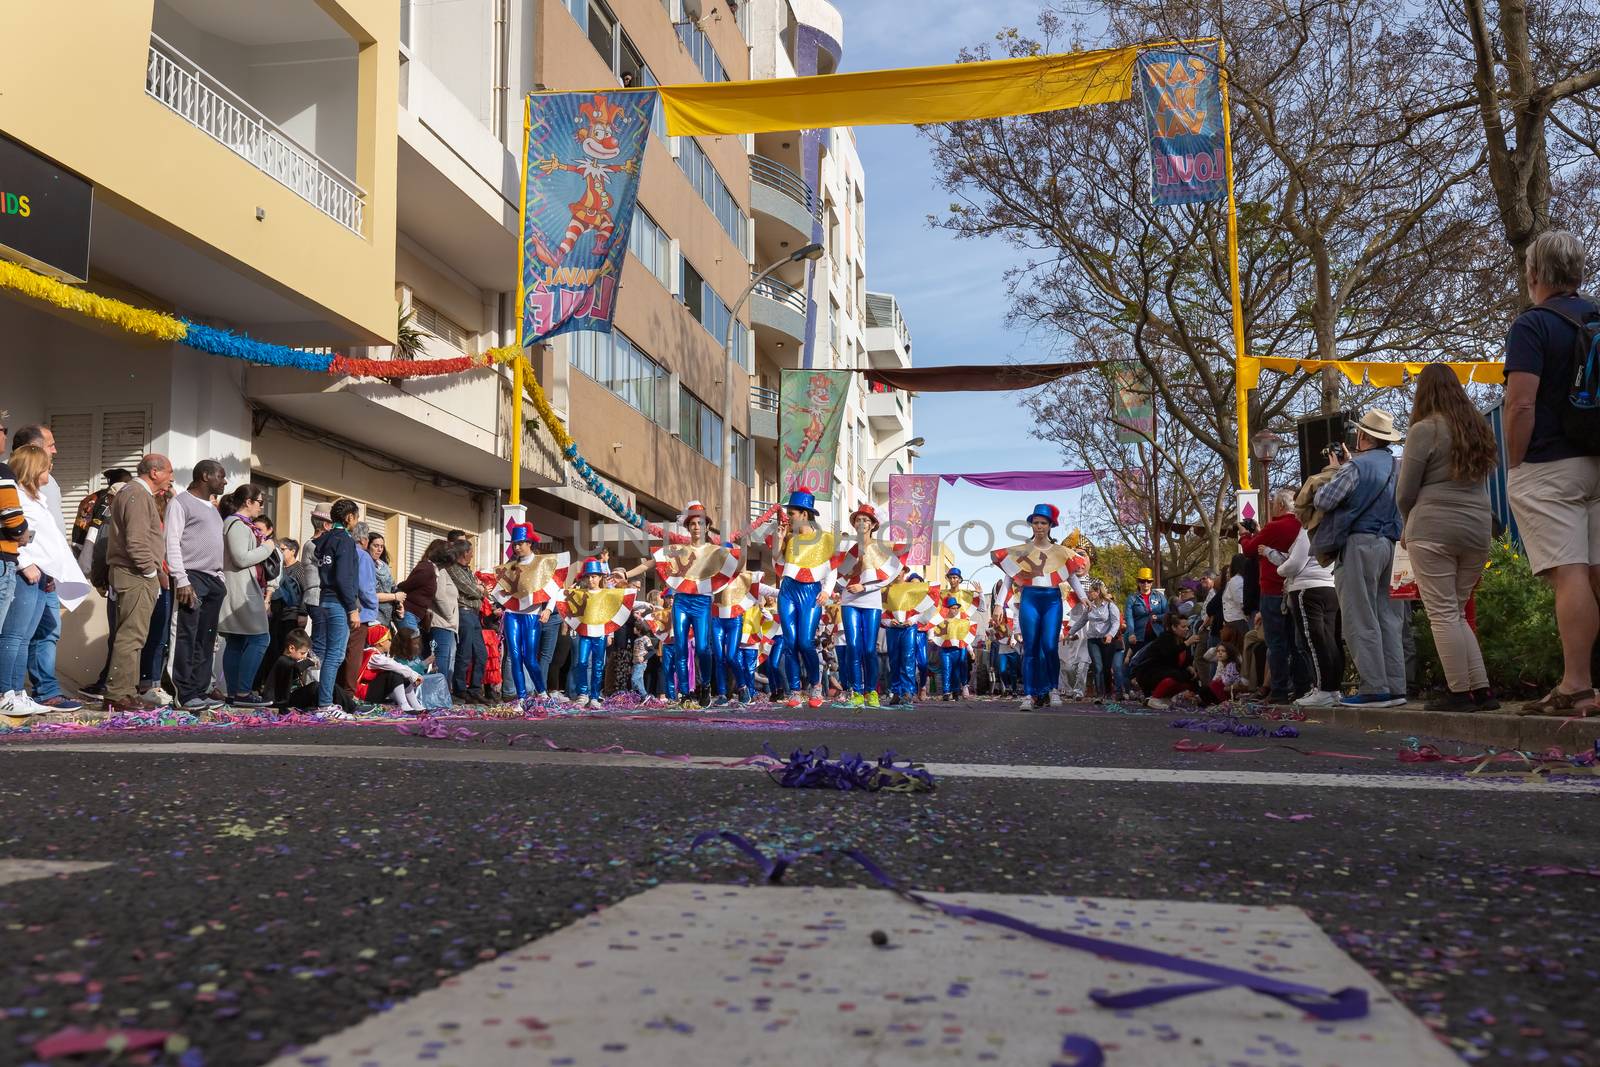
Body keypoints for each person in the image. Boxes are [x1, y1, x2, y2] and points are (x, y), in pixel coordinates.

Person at [1502, 230, 1600, 716]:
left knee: (1571, 574)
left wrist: (1515, 463)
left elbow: (1520, 404)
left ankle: (1577, 686)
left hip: (1550, 464)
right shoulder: (1598, 316)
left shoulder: (1533, 325)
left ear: (1535, 274)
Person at [1396, 363, 1498, 711]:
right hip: (1477, 528)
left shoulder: (1424, 430)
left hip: (1433, 527)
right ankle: (1481, 690)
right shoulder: (1478, 430)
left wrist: (1407, 524)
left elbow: (1405, 492)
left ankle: (1458, 693)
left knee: (1441, 613)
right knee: (1455, 610)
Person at [1312, 409, 1406, 707]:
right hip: (1389, 545)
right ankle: (1395, 686)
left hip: (1359, 544)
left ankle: (1374, 687)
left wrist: (1335, 470)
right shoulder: (1397, 466)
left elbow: (1323, 500)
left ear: (1363, 436)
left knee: (1359, 617)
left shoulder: (1356, 468)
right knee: (1388, 618)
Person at [0, 446, 84, 713]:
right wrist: (25, 564)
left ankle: (17, 692)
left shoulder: (36, 497)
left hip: (41, 574)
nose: (50, 469)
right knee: (13, 636)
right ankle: (5, 693)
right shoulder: (19, 496)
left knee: (24, 638)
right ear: (33, 468)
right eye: (46, 466)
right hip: (26, 572)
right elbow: (17, 535)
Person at [635, 501, 742, 708]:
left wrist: (745, 547)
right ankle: (685, 693)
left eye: (700, 523)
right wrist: (625, 573)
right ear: (688, 527)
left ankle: (704, 687)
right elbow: (654, 562)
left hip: (702, 603)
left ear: (706, 527)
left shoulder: (715, 550)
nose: (696, 527)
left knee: (703, 648)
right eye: (692, 523)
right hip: (681, 601)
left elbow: (736, 566)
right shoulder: (679, 549)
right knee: (680, 648)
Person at [993, 506, 1085, 709]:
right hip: (1029, 599)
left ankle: (1053, 689)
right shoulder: (1022, 550)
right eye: (1036, 522)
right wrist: (999, 604)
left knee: (1050, 646)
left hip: (1052, 599)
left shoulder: (1060, 552)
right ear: (1031, 525)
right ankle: (1028, 694)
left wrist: (1083, 596)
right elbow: (1008, 577)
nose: (1039, 526)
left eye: (1044, 523)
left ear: (1051, 526)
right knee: (1031, 647)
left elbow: (1070, 575)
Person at [103, 454, 174, 711]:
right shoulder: (137, 494)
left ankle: (127, 691)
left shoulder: (136, 494)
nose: (171, 478)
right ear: (154, 472)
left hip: (136, 573)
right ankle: (117, 693)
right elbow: (136, 540)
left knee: (135, 636)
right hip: (135, 574)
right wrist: (150, 572)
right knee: (131, 635)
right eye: (169, 472)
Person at [166, 460, 228, 711]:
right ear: (205, 476)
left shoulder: (213, 509)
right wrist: (181, 579)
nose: (225, 481)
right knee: (185, 635)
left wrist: (220, 578)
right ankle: (184, 691)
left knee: (206, 638)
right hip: (191, 578)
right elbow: (171, 542)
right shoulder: (180, 503)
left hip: (213, 579)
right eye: (221, 476)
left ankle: (200, 689)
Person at [1241, 489, 1310, 703]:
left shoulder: (1275, 527)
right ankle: (1302, 687)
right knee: (1296, 642)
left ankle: (1279, 689)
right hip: (1296, 588)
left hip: (1272, 590)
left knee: (1276, 643)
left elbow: (1250, 549)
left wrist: (1245, 535)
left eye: (1273, 503)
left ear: (1280, 505)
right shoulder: (1302, 527)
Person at [769, 491, 837, 709]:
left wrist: (827, 590)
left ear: (805, 514)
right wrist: (778, 540)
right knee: (790, 643)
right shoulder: (789, 538)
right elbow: (777, 562)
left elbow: (832, 567)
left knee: (805, 642)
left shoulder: (825, 538)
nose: (788, 517)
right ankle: (795, 691)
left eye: (792, 513)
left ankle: (816, 685)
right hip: (788, 590)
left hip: (811, 592)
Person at [1268, 516, 1342, 708]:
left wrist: (1279, 570)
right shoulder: (1332, 525)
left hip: (1307, 589)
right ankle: (1333, 689)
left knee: (1314, 641)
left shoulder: (1307, 531)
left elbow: (1295, 564)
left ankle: (1323, 690)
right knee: (1330, 641)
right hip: (1330, 586)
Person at [836, 503, 902, 708]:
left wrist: (864, 588)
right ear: (854, 524)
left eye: (866, 520)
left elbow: (888, 577)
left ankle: (871, 691)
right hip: (849, 600)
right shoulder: (848, 546)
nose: (862, 522)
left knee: (868, 649)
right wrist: (855, 566)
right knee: (854, 647)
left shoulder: (882, 547)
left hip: (871, 601)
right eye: (858, 519)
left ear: (873, 525)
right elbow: (839, 576)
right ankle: (856, 691)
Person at [217, 485, 278, 705]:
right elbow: (241, 558)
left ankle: (235, 693)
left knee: (236, 641)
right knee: (261, 638)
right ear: (248, 502)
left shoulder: (239, 524)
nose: (262, 507)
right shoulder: (237, 525)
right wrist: (268, 547)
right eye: (260, 502)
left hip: (238, 589)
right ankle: (242, 692)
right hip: (241, 591)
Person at [494, 522, 564, 702]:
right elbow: (500, 590)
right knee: (515, 655)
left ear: (529, 543)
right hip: (512, 614)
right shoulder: (510, 567)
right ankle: (521, 698)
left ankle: (541, 692)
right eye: (514, 544)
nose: (516, 547)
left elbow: (554, 588)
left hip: (532, 615)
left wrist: (548, 609)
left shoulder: (542, 563)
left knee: (529, 658)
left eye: (520, 543)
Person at [311, 498, 362, 716]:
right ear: (349, 517)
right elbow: (343, 577)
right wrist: (352, 607)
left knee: (329, 653)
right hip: (338, 602)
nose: (356, 522)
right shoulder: (345, 540)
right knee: (335, 655)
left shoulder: (325, 539)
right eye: (356, 517)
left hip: (324, 599)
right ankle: (325, 705)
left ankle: (325, 702)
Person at [562, 558, 633, 708]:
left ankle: (594, 696)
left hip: (601, 633)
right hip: (585, 633)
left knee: (598, 665)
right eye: (588, 576)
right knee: (581, 662)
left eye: (594, 576)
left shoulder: (607, 594)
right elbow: (567, 603)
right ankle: (583, 694)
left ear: (600, 577)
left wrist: (610, 634)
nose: (591, 579)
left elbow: (612, 612)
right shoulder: (580, 593)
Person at [1127, 613, 1213, 709]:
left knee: (1190, 678)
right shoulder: (1165, 638)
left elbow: (1183, 660)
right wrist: (1187, 643)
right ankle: (1153, 698)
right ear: (1174, 627)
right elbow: (1169, 653)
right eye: (1183, 627)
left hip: (1168, 671)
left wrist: (1188, 666)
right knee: (1175, 676)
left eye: (1188, 627)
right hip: (1151, 672)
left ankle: (1167, 697)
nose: (1187, 629)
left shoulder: (1182, 640)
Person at [0, 423, 31, 673]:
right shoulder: (2, 472)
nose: (5, 436)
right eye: (2, 430)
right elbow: (12, 517)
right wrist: (23, 531)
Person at [354, 623, 426, 713]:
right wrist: (414, 675)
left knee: (402, 674)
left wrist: (411, 675)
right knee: (394, 674)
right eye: (389, 640)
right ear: (381, 642)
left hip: (371, 690)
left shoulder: (378, 654)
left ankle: (416, 705)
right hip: (364, 693)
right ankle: (404, 706)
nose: (391, 642)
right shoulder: (373, 656)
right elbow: (393, 665)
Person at [428, 539, 467, 697]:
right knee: (442, 661)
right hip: (442, 622)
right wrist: (450, 617)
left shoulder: (443, 571)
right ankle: (440, 695)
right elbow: (440, 596)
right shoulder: (440, 572)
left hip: (447, 624)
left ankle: (443, 693)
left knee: (446, 660)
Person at [72, 468, 132, 569]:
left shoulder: (90, 499)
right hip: (106, 556)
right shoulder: (123, 499)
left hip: (86, 552)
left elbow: (79, 530)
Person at [1081, 580, 1122, 700]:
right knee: (1097, 666)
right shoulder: (1089, 606)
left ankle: (1108, 692)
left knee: (1106, 667)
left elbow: (1116, 622)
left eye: (1091, 592)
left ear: (1098, 592)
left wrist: (1110, 635)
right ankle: (1099, 694)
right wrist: (1071, 632)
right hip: (1093, 639)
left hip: (1107, 639)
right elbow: (1082, 621)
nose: (1089, 594)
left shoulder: (1110, 605)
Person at [931, 597, 974, 701]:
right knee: (946, 669)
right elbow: (934, 630)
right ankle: (946, 692)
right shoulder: (941, 621)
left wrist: (970, 650)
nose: (955, 610)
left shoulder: (962, 621)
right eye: (953, 608)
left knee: (957, 671)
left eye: (956, 608)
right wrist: (931, 638)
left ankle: (955, 691)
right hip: (945, 649)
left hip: (959, 649)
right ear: (948, 609)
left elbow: (965, 637)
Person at [264, 629, 318, 711]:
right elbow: (296, 667)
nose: (304, 656)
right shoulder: (283, 661)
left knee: (319, 687)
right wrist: (310, 662)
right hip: (278, 701)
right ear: (291, 648)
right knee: (315, 687)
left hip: (288, 698)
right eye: (302, 653)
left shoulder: (290, 662)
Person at [1123, 566, 1168, 660]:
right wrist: (1131, 633)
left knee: (1158, 662)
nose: (1146, 583)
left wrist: (1158, 617)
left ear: (1152, 582)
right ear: (1138, 582)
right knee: (1138, 662)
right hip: (1139, 637)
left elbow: (1168, 614)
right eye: (1142, 581)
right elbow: (1129, 617)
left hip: (1157, 635)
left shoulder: (1159, 596)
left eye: (1149, 581)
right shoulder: (1132, 598)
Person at [367, 532, 402, 628]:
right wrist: (395, 596)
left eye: (382, 546)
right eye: (376, 546)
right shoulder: (365, 565)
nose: (379, 549)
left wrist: (399, 604)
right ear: (368, 546)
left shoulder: (384, 566)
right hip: (373, 617)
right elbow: (373, 595)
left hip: (387, 617)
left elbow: (393, 586)